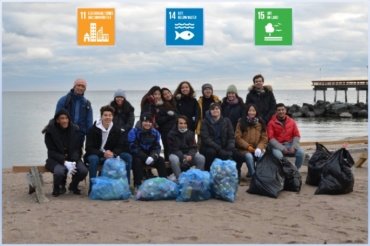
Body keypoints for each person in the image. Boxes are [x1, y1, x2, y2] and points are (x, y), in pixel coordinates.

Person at [85, 105, 132, 191]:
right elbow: (88, 148)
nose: (107, 117)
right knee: (93, 159)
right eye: (105, 115)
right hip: (96, 155)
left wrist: (113, 153)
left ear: (112, 117)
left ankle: (126, 186)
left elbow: (121, 145)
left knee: (127, 156)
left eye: (110, 115)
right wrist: (103, 154)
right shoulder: (93, 129)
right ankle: (92, 188)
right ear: (101, 116)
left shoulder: (117, 129)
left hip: (111, 155)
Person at [43, 109, 88, 196]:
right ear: (57, 120)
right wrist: (64, 161)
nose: (64, 120)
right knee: (60, 171)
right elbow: (51, 151)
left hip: (72, 157)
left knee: (83, 171)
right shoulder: (49, 132)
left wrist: (74, 160)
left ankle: (73, 186)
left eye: (66, 118)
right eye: (62, 118)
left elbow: (78, 148)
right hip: (55, 159)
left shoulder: (75, 129)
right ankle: (57, 187)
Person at [199, 102, 242, 171]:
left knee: (238, 154)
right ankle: (210, 171)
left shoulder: (226, 121)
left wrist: (230, 146)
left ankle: (236, 173)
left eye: (217, 108)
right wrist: (219, 149)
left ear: (220, 110)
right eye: (212, 109)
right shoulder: (205, 122)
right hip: (210, 147)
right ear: (210, 111)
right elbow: (206, 138)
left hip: (224, 145)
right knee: (211, 152)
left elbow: (231, 136)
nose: (215, 110)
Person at [128, 112, 167, 188]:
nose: (147, 124)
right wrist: (145, 157)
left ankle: (164, 183)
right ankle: (138, 184)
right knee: (137, 161)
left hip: (150, 156)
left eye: (149, 122)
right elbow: (133, 147)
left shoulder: (155, 132)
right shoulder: (134, 131)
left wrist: (153, 157)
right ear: (141, 122)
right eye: (145, 121)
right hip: (139, 156)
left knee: (161, 160)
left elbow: (157, 147)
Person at [55, 78, 93, 148]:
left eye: (83, 86)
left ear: (85, 89)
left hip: (80, 135)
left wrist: (89, 137)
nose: (80, 88)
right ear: (74, 86)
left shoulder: (87, 103)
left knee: (76, 156)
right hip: (65, 133)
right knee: (63, 154)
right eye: (78, 85)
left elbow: (89, 122)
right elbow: (57, 118)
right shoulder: (63, 100)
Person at [267, 103, 305, 169]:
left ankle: (295, 171)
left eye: (282, 109)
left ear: (286, 110)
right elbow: (271, 138)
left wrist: (293, 147)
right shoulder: (271, 123)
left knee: (301, 153)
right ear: (276, 111)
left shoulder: (292, 121)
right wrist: (282, 148)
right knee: (279, 156)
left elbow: (297, 135)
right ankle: (283, 172)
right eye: (279, 110)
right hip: (277, 146)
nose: (281, 111)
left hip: (290, 144)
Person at [235, 104, 268, 178]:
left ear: (256, 112)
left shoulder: (261, 123)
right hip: (243, 150)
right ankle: (253, 176)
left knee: (262, 155)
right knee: (249, 156)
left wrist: (259, 148)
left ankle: (259, 174)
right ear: (247, 111)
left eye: (253, 111)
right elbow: (237, 137)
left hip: (257, 149)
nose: (251, 112)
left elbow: (264, 138)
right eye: (250, 110)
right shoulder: (241, 122)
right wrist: (248, 147)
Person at [167, 115, 205, 180]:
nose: (183, 125)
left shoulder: (190, 133)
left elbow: (194, 147)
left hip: (189, 155)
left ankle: (198, 179)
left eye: (185, 123)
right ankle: (180, 179)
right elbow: (173, 149)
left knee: (201, 158)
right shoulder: (171, 134)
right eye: (181, 123)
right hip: (176, 154)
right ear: (177, 124)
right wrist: (184, 157)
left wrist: (190, 155)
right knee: (174, 159)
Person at [156, 87, 178, 162]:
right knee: (168, 150)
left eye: (168, 92)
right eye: (164, 94)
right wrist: (168, 116)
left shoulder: (175, 102)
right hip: (166, 132)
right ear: (162, 97)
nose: (167, 95)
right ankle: (168, 170)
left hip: (176, 131)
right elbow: (158, 120)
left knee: (176, 149)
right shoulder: (161, 106)